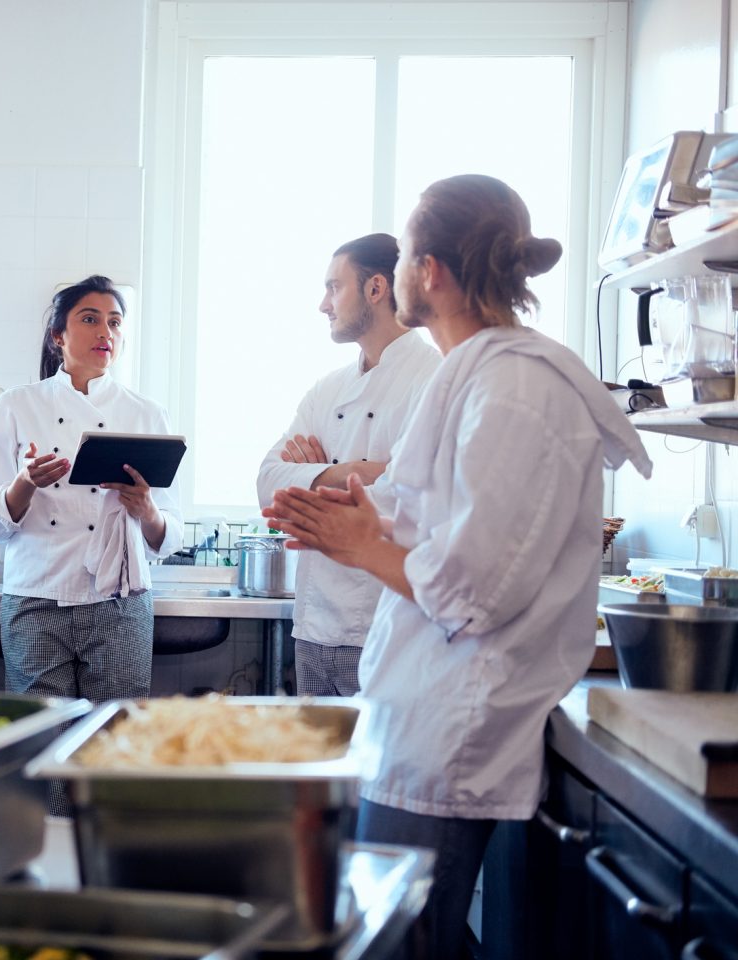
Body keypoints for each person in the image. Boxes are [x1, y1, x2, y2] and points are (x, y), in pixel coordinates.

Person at [262, 175, 652, 959]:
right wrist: (359, 524)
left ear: (428, 271)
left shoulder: (515, 390)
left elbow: (475, 589)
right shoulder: (468, 373)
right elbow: (412, 510)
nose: (400, 266)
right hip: (414, 712)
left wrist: (359, 544)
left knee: (411, 946)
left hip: (454, 727)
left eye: (405, 253)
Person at [0, 275, 182, 729]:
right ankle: (52, 808)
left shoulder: (148, 414)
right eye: (90, 319)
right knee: (43, 739)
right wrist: (24, 484)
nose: (105, 332)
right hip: (35, 599)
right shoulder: (17, 405)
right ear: (58, 335)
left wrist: (146, 510)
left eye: (114, 322)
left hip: (119, 603)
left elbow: (170, 534)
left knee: (114, 743)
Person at [255, 233, 439, 696]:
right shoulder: (327, 389)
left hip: (384, 622)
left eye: (334, 287)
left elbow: (409, 499)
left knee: (378, 766)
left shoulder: (433, 378)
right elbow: (268, 483)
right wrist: (348, 472)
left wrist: (311, 486)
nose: (323, 304)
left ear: (376, 289)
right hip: (314, 624)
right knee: (316, 766)